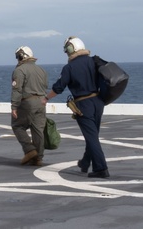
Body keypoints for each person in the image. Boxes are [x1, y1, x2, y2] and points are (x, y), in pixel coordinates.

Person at [45, 36, 108, 178]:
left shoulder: (69, 67)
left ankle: (101, 168)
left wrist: (46, 98)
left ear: (72, 48)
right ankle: (85, 162)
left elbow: (59, 87)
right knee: (93, 135)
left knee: (91, 138)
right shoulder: (94, 61)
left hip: (83, 104)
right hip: (98, 102)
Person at [11, 45, 48, 166]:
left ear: (22, 56)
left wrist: (14, 106)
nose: (17, 59)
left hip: (27, 102)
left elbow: (17, 90)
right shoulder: (41, 70)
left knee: (17, 125)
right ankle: (38, 157)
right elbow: (45, 86)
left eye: (18, 56)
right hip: (42, 101)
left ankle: (30, 150)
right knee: (38, 130)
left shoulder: (19, 70)